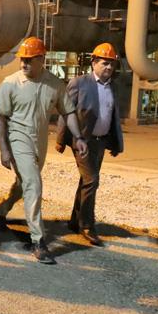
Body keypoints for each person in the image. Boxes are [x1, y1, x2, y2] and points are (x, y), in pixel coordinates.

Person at [0, 37, 88, 264]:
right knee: (34, 184)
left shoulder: (55, 84)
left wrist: (79, 137)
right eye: (22, 59)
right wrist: (4, 150)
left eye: (29, 59)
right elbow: (0, 119)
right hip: (18, 138)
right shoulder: (11, 83)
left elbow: (68, 112)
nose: (23, 63)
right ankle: (38, 240)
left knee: (23, 184)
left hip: (39, 142)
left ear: (42, 59)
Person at [56, 42, 123, 246]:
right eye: (104, 63)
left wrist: (115, 143)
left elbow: (113, 116)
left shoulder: (113, 86)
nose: (108, 67)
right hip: (82, 141)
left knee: (86, 182)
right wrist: (60, 140)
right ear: (94, 63)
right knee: (92, 180)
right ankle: (87, 225)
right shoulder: (79, 83)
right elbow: (66, 111)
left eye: (111, 64)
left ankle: (75, 221)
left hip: (100, 142)